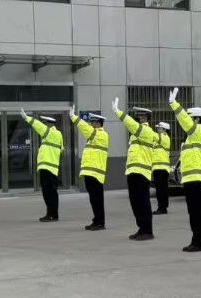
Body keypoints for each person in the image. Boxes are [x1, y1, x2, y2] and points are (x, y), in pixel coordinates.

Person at [169, 89, 201, 252]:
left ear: (197, 119)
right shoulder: (191, 137)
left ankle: (200, 243)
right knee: (194, 213)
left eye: (190, 118)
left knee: (198, 214)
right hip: (190, 180)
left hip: (197, 180)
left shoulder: (199, 130)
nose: (188, 121)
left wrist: (174, 104)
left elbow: (184, 120)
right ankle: (196, 241)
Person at [113, 99, 158, 241]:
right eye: (139, 116)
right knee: (135, 202)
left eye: (142, 116)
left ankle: (148, 231)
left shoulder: (146, 131)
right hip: (133, 170)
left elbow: (130, 124)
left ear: (147, 119)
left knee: (143, 202)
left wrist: (119, 112)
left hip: (142, 172)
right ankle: (141, 228)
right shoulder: (136, 133)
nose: (140, 118)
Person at [70, 107, 109, 230]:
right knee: (93, 199)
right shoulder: (94, 136)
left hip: (95, 173)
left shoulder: (101, 134)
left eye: (93, 122)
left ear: (98, 123)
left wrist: (74, 118)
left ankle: (100, 222)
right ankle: (96, 220)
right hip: (90, 172)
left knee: (97, 199)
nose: (91, 124)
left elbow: (85, 128)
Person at [22, 108, 63, 222]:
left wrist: (27, 118)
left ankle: (51, 215)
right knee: (52, 192)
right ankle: (53, 214)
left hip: (47, 167)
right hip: (53, 168)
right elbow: (61, 149)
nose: (44, 125)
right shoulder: (59, 134)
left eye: (45, 123)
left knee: (48, 192)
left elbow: (38, 125)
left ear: (49, 124)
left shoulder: (50, 133)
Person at [153, 122, 172, 215]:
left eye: (159, 128)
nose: (157, 129)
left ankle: (162, 208)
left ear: (165, 130)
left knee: (161, 189)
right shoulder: (160, 138)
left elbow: (153, 136)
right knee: (161, 189)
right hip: (158, 168)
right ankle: (163, 207)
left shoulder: (164, 138)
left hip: (161, 168)